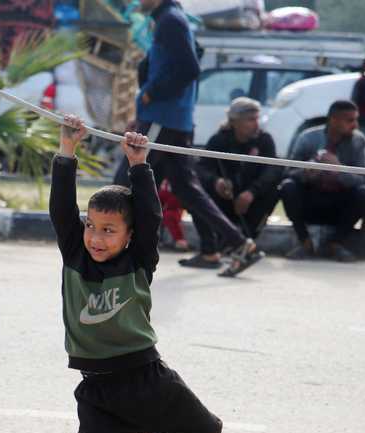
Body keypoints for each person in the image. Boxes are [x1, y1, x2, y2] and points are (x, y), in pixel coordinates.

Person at [50, 115, 222, 433]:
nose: (96, 237)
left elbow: (151, 216)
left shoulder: (139, 260)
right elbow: (61, 210)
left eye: (109, 230)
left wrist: (139, 164)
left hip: (146, 376)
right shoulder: (76, 256)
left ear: (130, 236)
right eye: (91, 226)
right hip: (98, 387)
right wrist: (67, 150)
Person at [113, 0, 260, 278]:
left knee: (126, 180)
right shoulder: (171, 18)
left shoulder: (171, 20)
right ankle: (235, 246)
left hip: (163, 117)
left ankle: (109, 250)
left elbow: (188, 68)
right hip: (172, 119)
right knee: (186, 187)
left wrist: (150, 94)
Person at [183, 97, 281, 268]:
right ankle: (220, 241)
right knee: (195, 189)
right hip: (226, 200)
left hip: (252, 200)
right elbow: (203, 168)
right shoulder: (219, 140)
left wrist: (252, 192)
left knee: (275, 190)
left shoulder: (264, 140)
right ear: (235, 121)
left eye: (257, 119)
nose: (255, 124)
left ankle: (247, 237)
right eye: (250, 119)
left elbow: (273, 170)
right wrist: (217, 181)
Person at [279, 100, 365, 263]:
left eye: (356, 120)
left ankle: (336, 243)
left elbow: (362, 179)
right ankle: (305, 242)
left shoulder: (359, 141)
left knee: (363, 194)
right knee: (288, 187)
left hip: (339, 202)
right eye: (350, 120)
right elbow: (289, 172)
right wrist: (307, 173)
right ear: (334, 120)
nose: (355, 125)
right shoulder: (308, 138)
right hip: (311, 199)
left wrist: (338, 169)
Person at [158, 179, 190, 251]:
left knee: (169, 216)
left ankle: (180, 241)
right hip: (164, 208)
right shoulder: (165, 182)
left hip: (176, 209)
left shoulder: (179, 180)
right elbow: (160, 196)